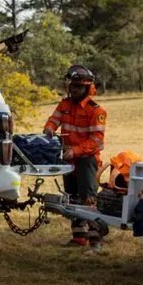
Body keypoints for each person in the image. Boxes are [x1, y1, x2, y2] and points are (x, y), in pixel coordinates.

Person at [44, 65, 107, 248]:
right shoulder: (64, 104)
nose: (75, 89)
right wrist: (49, 128)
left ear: (88, 88)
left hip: (86, 159)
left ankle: (96, 237)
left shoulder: (96, 111)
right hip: (67, 157)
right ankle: (79, 237)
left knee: (88, 198)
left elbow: (97, 141)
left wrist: (76, 151)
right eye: (73, 85)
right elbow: (54, 119)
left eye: (79, 86)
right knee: (71, 198)